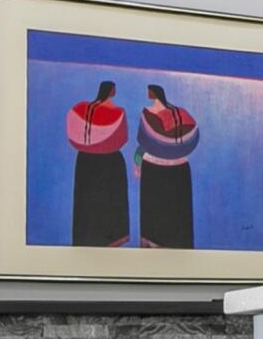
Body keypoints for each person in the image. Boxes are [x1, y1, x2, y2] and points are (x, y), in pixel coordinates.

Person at [135, 83, 201, 250]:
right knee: (176, 213)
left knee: (154, 216)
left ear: (151, 94)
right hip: (180, 168)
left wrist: (137, 164)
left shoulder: (147, 114)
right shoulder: (182, 113)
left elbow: (143, 145)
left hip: (153, 168)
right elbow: (193, 135)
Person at [66, 80, 130, 247]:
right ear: (112, 92)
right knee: (109, 203)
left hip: (85, 162)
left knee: (87, 201)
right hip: (110, 163)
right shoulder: (118, 113)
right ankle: (110, 240)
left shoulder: (80, 108)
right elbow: (122, 138)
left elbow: (73, 134)